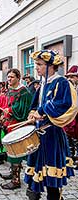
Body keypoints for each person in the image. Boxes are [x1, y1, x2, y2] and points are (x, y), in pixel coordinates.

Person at [24, 50, 77, 200]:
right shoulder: (42, 83)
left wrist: (42, 111)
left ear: (51, 66)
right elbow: (35, 105)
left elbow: (64, 104)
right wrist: (32, 113)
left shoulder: (61, 82)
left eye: (40, 65)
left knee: (52, 176)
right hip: (38, 133)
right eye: (37, 65)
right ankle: (35, 194)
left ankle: (54, 197)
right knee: (37, 171)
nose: (37, 68)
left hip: (52, 134)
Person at [0, 68, 32, 190]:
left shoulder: (24, 92)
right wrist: (4, 115)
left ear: (18, 78)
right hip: (10, 125)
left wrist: (11, 110)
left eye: (12, 77)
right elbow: (7, 106)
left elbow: (24, 109)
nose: (9, 79)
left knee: (16, 153)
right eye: (8, 77)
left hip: (18, 126)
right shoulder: (10, 91)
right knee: (10, 151)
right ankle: (13, 172)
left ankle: (16, 180)